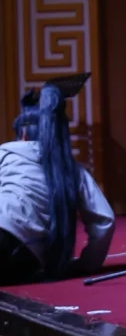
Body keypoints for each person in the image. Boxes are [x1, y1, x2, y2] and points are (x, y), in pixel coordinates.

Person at [0, 85, 115, 285]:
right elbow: (104, 220)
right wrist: (86, 264)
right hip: (25, 261)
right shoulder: (72, 170)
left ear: (23, 135)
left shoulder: (4, 153)